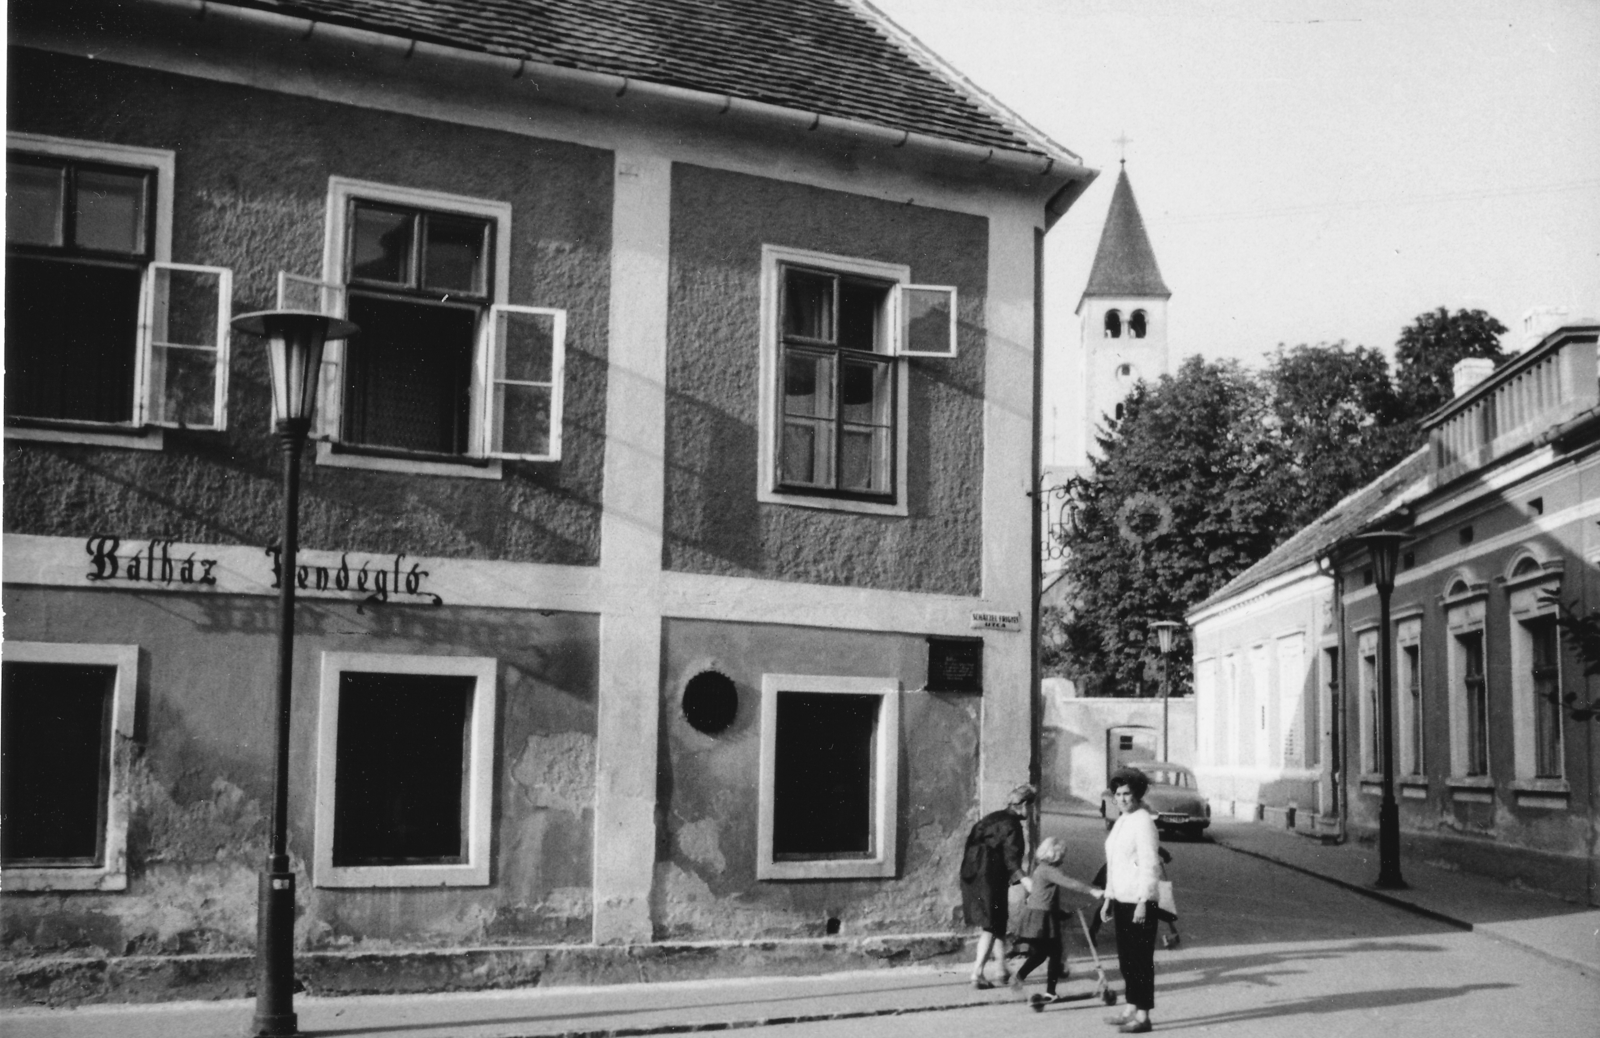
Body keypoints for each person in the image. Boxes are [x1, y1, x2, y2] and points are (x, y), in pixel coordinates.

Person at [1102, 766, 1161, 1033]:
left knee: (1140, 960)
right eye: (1118, 794)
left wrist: (1143, 900)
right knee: (1126, 959)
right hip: (1122, 899)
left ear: (1136, 794)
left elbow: (1149, 864)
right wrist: (1108, 897)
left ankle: (1143, 1015)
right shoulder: (1122, 821)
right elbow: (1114, 864)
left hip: (1139, 901)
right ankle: (1130, 1007)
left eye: (1127, 793)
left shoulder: (1143, 821)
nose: (1122, 798)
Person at [959, 783, 1035, 988]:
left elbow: (971, 844)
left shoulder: (991, 818)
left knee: (998, 922)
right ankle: (977, 973)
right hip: (990, 879)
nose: (1032, 811)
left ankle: (1001, 969)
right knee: (991, 925)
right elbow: (1011, 859)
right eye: (1032, 806)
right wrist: (1025, 880)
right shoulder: (1013, 825)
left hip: (973, 876)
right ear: (1025, 805)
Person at [1011, 836, 1102, 1003]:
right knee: (1054, 953)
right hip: (1042, 917)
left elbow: (1045, 896)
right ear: (1054, 854)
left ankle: (1019, 977)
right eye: (1062, 854)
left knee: (1041, 954)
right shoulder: (1049, 871)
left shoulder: (1042, 869)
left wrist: (1061, 912)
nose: (1063, 857)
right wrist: (1092, 891)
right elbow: (1070, 883)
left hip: (1039, 915)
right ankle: (1048, 991)